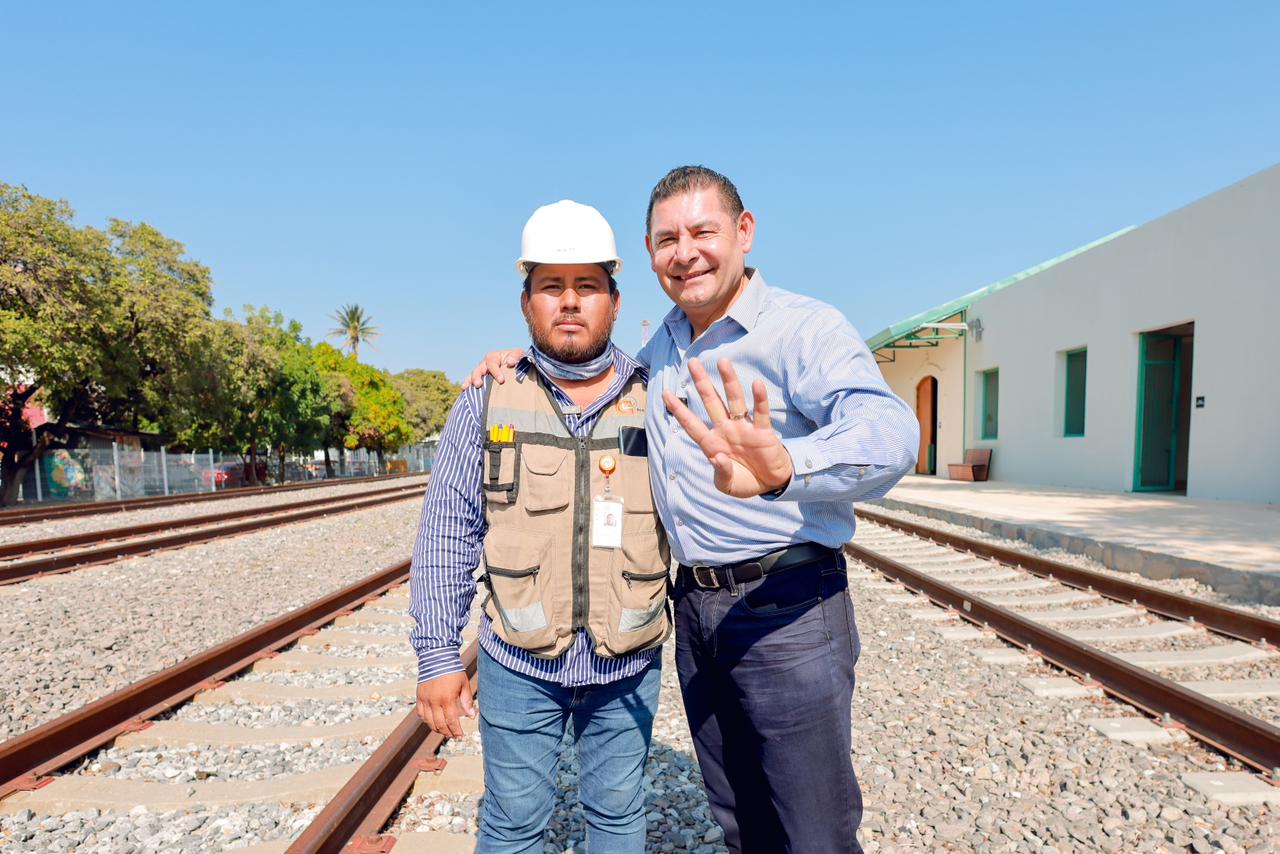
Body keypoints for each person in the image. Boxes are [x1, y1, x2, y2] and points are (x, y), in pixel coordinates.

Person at [469, 166, 919, 853]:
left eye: (703, 231)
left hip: (787, 604)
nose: (686, 252)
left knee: (813, 828)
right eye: (666, 239)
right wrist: (521, 361)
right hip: (697, 613)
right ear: (649, 258)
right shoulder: (662, 350)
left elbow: (891, 435)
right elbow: (587, 369)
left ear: (743, 232)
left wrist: (789, 467)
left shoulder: (803, 329)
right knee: (738, 813)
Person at [409, 199, 673, 854]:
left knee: (618, 817)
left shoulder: (661, 399)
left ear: (613, 299)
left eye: (587, 285)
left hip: (628, 662)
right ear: (527, 302)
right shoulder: (487, 398)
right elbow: (448, 528)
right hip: (517, 662)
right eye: (551, 286)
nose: (570, 301)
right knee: (514, 822)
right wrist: (438, 656)